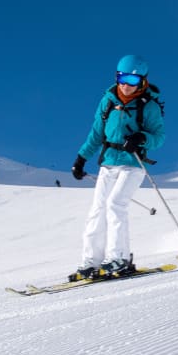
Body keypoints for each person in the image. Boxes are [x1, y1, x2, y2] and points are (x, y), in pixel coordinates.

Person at [69, 55, 165, 281]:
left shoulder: (148, 106)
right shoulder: (108, 101)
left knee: (115, 204)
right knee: (97, 210)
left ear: (142, 81)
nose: (126, 85)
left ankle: (119, 258)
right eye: (122, 78)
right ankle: (91, 262)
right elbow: (96, 133)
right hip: (108, 162)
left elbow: (159, 137)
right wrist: (81, 158)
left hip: (133, 164)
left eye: (132, 80)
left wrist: (141, 138)